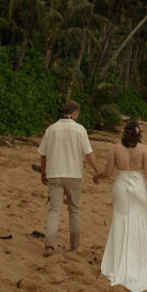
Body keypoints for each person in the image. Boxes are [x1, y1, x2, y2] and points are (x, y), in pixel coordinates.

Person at [94, 118, 147, 292]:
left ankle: (120, 261)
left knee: (121, 221)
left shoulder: (115, 149)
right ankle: (140, 260)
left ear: (124, 133)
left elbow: (107, 172)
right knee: (141, 222)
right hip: (139, 188)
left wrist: (96, 177)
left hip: (121, 187)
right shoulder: (144, 150)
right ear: (139, 134)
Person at [37, 99, 98, 257]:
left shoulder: (51, 129)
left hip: (54, 173)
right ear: (75, 113)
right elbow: (88, 153)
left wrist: (43, 173)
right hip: (73, 174)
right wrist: (97, 170)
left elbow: (43, 154)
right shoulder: (80, 129)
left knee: (54, 210)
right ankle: (75, 246)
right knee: (74, 209)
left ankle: (49, 246)